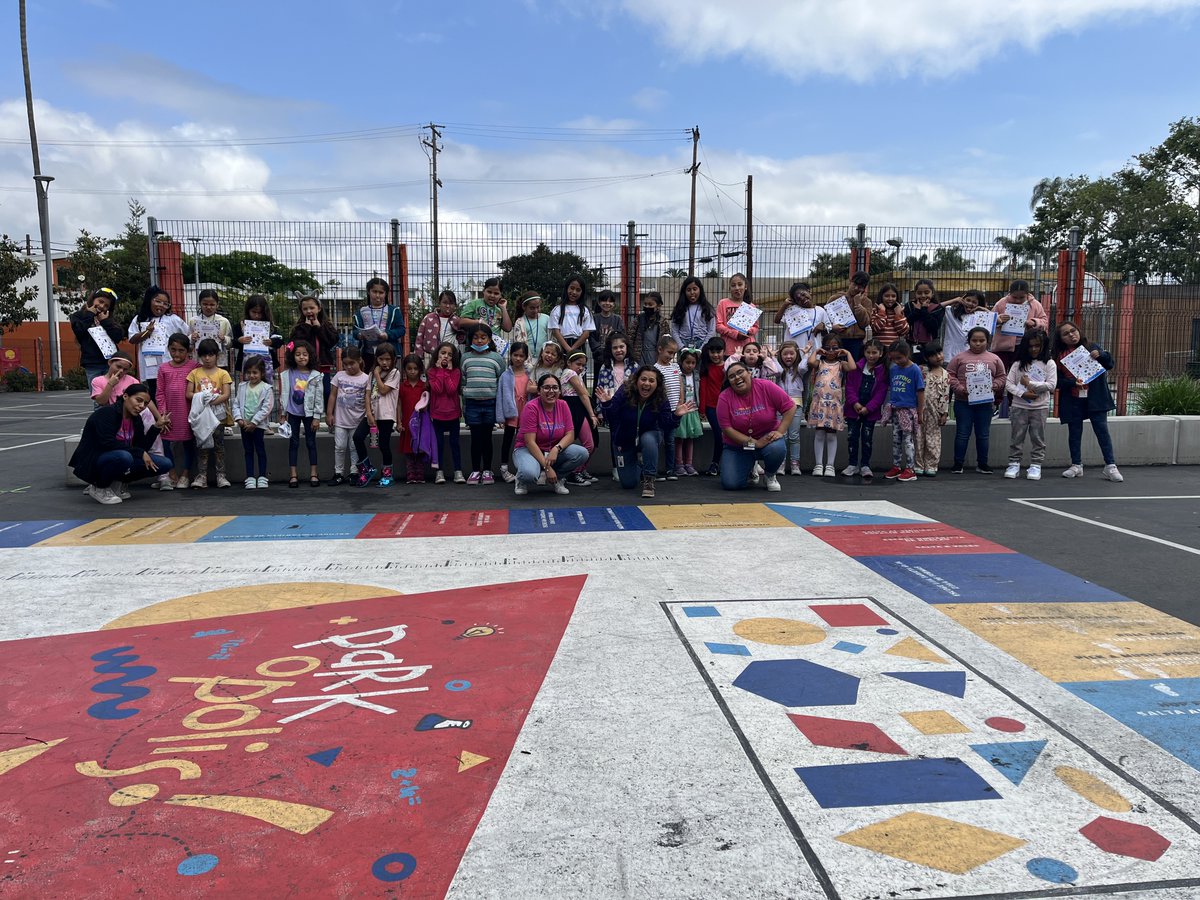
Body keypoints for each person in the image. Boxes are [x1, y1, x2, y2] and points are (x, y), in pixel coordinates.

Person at [70, 382, 170, 505]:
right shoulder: (106, 413)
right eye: (138, 400)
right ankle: (99, 487)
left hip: (118, 457)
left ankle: (116, 483)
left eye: (145, 404)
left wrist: (155, 428)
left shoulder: (136, 419)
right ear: (125, 396)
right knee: (124, 456)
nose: (141, 406)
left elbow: (140, 447)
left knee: (164, 463)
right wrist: (139, 452)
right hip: (95, 460)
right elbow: (107, 443)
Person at [1052, 322, 1122, 482]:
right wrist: (1071, 383)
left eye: (1073, 331)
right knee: (1075, 432)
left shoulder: (1091, 347)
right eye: (1066, 334)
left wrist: (1102, 355)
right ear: (1061, 339)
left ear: (1078, 331)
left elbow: (1110, 364)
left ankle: (1110, 465)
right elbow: (1056, 380)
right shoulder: (1058, 356)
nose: (1071, 335)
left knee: (1102, 430)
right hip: (1073, 398)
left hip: (1095, 398)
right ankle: (1076, 465)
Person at [717, 361, 796, 491]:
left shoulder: (766, 386)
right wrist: (755, 443)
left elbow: (790, 407)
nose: (737, 377)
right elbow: (727, 429)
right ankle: (750, 468)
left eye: (740, 372)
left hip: (767, 439)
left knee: (777, 448)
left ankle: (770, 475)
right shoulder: (724, 398)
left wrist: (780, 432)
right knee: (731, 484)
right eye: (731, 376)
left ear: (749, 373)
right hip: (738, 446)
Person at [597, 368, 675, 498]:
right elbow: (610, 417)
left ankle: (649, 479)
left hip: (649, 435)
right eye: (643, 379)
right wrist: (606, 404)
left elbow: (665, 424)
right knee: (628, 483)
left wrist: (676, 416)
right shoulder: (625, 391)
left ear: (657, 384)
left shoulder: (660, 397)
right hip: (624, 439)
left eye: (651, 380)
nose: (646, 384)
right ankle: (638, 463)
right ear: (636, 380)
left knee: (648, 440)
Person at [513, 373, 590, 496]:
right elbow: (530, 442)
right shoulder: (531, 407)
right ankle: (521, 480)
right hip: (528, 449)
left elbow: (570, 434)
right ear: (539, 390)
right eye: (546, 387)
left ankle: (557, 479)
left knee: (582, 453)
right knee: (529, 474)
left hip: (552, 450)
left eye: (555, 387)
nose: (551, 391)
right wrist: (547, 468)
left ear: (560, 391)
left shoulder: (563, 405)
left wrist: (556, 448)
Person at [947, 326, 1006, 474]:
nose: (978, 343)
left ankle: (982, 464)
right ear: (968, 341)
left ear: (987, 341)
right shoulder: (959, 358)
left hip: (985, 403)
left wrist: (995, 386)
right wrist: (961, 389)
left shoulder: (994, 359)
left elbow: (1002, 376)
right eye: (974, 340)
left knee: (983, 434)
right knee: (962, 433)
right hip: (963, 402)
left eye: (981, 340)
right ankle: (958, 463)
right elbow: (949, 375)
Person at [992, 279, 1050, 416]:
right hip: (1002, 347)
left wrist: (1034, 322)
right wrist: (998, 319)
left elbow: (1045, 321)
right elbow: (988, 320)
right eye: (1014, 297)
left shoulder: (1035, 305)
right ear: (1009, 294)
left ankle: (1015, 406)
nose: (1018, 300)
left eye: (1021, 297)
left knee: (1020, 376)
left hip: (1024, 347)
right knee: (999, 375)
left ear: (1027, 294)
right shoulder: (1001, 303)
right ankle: (995, 404)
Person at [1004, 328, 1056, 481]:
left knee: (1038, 437)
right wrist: (1022, 393)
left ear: (1043, 346)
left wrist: (1030, 384)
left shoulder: (1049, 363)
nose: (1034, 349)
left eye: (1037, 346)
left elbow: (1051, 385)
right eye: (1030, 345)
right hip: (1019, 406)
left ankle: (1036, 464)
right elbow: (1009, 384)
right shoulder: (1018, 364)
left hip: (1040, 407)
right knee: (1016, 436)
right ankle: (1014, 463)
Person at [460, 324, 506, 484]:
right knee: (475, 439)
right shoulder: (465, 358)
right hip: (472, 405)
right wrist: (465, 404)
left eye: (483, 337)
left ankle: (487, 470)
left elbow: (501, 381)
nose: (479, 340)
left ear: (489, 339)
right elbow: (463, 380)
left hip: (490, 404)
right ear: (470, 339)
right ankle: (474, 471)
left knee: (487, 438)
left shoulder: (496, 358)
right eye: (475, 337)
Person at [186, 338, 233, 489]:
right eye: (204, 355)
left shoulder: (223, 373)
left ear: (217, 355)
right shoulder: (194, 373)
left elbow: (226, 395)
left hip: (218, 416)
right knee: (202, 446)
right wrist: (202, 399)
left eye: (210, 355)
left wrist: (211, 400)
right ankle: (202, 476)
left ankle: (221, 475)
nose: (207, 358)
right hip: (202, 417)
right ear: (199, 356)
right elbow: (188, 393)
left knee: (219, 445)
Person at [353, 343, 402, 486]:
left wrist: (376, 374)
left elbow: (383, 389)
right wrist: (368, 413)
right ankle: (367, 468)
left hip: (386, 415)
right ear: (377, 359)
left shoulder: (395, 373)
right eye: (381, 359)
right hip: (372, 414)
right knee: (358, 437)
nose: (384, 362)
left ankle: (387, 474)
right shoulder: (371, 374)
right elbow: (367, 394)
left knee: (383, 445)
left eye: (388, 359)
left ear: (393, 359)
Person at [278, 339, 323, 488]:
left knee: (311, 443)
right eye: (298, 354)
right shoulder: (287, 374)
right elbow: (284, 394)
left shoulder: (315, 375)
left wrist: (317, 417)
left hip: (309, 415)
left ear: (310, 356)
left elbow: (319, 397)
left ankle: (314, 474)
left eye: (305, 354)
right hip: (293, 413)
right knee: (293, 443)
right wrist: (283, 413)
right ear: (293, 356)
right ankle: (293, 475)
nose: (301, 357)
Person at [127, 286, 187, 397]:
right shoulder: (139, 319)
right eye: (158, 301)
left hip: (168, 363)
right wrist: (146, 333)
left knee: (170, 393)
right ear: (150, 300)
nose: (161, 306)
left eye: (165, 304)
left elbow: (187, 334)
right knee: (154, 393)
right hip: (149, 365)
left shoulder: (172, 319)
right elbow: (132, 339)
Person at [807, 337, 855, 477]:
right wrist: (816, 351)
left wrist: (847, 353)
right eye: (827, 348)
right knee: (819, 433)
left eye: (835, 348)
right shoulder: (820, 362)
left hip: (833, 404)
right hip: (820, 402)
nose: (831, 351)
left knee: (831, 435)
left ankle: (830, 465)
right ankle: (818, 464)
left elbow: (852, 367)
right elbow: (810, 362)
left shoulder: (841, 364)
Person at [155, 334, 197, 490]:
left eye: (181, 350)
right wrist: (162, 413)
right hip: (169, 413)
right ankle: (171, 473)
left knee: (188, 442)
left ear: (188, 351)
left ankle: (186, 474)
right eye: (173, 350)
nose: (177, 354)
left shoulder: (194, 367)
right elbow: (159, 392)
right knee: (165, 442)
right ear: (168, 349)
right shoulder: (163, 368)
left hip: (188, 412)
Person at [842, 339, 887, 479]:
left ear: (881, 353)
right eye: (868, 352)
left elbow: (881, 393)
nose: (871, 355)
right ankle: (852, 464)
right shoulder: (856, 367)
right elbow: (849, 387)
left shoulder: (883, 371)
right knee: (852, 437)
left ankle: (865, 465)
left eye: (874, 352)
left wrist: (869, 408)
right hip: (853, 410)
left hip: (870, 412)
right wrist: (855, 403)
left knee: (867, 438)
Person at [325, 346, 370, 486]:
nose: (349, 367)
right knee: (339, 446)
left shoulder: (366, 378)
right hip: (340, 420)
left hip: (357, 420)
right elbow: (332, 395)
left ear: (360, 361)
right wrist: (329, 413)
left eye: (352, 363)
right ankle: (338, 473)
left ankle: (354, 472)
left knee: (353, 447)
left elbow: (368, 399)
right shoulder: (339, 376)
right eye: (345, 364)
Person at [882, 339, 925, 482]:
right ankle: (896, 466)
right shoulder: (893, 369)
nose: (897, 361)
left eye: (899, 358)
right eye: (893, 358)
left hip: (908, 410)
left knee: (908, 440)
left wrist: (920, 412)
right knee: (896, 439)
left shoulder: (915, 370)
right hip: (895, 408)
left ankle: (910, 468)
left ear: (908, 354)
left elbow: (920, 392)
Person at [289, 291, 340, 404]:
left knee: (325, 393)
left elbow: (332, 341)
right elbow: (295, 343)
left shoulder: (326, 325)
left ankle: (326, 415)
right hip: (305, 367)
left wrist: (318, 327)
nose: (309, 311)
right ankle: (307, 417)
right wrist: (307, 327)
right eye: (305, 309)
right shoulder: (299, 328)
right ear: (301, 311)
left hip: (323, 367)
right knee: (305, 394)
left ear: (319, 308)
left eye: (312, 308)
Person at [233, 356, 274, 489]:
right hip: (244, 425)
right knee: (248, 450)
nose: (252, 375)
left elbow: (266, 408)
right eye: (249, 372)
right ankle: (250, 476)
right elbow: (236, 404)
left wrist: (254, 422)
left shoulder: (267, 388)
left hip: (258, 426)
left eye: (255, 372)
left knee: (260, 449)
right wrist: (239, 419)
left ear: (262, 373)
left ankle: (262, 476)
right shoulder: (242, 386)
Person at [560, 351, 601, 485]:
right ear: (569, 363)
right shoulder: (569, 373)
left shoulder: (576, 374)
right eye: (578, 364)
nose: (581, 368)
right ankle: (573, 472)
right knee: (589, 444)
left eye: (583, 365)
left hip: (580, 407)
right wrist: (592, 414)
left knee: (592, 443)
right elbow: (583, 394)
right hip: (575, 408)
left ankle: (581, 469)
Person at [428, 341, 465, 485]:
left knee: (455, 443)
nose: (446, 356)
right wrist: (440, 371)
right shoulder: (431, 371)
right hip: (437, 414)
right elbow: (437, 389)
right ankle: (439, 471)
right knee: (439, 444)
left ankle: (458, 471)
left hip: (453, 414)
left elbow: (451, 390)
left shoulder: (455, 371)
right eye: (443, 353)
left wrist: (447, 372)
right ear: (437, 354)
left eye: (449, 354)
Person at [71, 287, 124, 385]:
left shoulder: (109, 320)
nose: (102, 306)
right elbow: (79, 331)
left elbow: (118, 337)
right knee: (98, 394)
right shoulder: (79, 316)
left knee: (113, 393)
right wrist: (90, 314)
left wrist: (105, 321)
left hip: (111, 363)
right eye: (100, 301)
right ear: (93, 299)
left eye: (106, 305)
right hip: (92, 363)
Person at [772, 339, 810, 475]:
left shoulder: (799, 370)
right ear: (780, 355)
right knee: (782, 435)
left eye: (791, 354)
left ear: (796, 355)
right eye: (785, 354)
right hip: (780, 406)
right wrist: (772, 357)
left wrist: (805, 355)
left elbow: (803, 367)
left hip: (796, 405)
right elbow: (777, 370)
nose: (788, 357)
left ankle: (795, 464)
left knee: (794, 435)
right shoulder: (779, 371)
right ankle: (780, 463)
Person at [353, 277, 406, 372]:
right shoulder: (361, 311)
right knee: (369, 380)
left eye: (381, 293)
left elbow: (401, 329)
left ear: (385, 294)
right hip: (367, 353)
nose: (377, 295)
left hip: (387, 355)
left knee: (388, 380)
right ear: (369, 292)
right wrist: (360, 335)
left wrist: (387, 335)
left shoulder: (394, 311)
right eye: (374, 291)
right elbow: (355, 331)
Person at [495, 341, 530, 484]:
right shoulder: (505, 375)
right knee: (507, 440)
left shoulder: (530, 374)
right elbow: (500, 396)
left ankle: (525, 467)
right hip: (512, 413)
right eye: (515, 355)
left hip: (526, 413)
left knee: (525, 442)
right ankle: (504, 468)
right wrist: (500, 416)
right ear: (511, 355)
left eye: (522, 356)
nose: (518, 358)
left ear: (526, 357)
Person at [392, 353, 430, 485]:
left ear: (420, 369)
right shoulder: (402, 386)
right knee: (408, 450)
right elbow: (399, 405)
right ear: (405, 369)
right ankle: (410, 473)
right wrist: (399, 421)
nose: (412, 371)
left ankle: (420, 473)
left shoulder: (424, 386)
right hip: (407, 423)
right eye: (409, 368)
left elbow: (428, 405)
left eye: (415, 368)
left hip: (421, 423)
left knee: (419, 449)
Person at [232, 294, 284, 384]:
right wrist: (239, 340)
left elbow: (280, 341)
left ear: (265, 312)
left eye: (259, 313)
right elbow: (233, 342)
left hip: (265, 364)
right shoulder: (240, 326)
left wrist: (271, 342)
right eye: (254, 312)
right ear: (248, 311)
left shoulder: (270, 326)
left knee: (266, 387)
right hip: (247, 362)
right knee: (247, 387)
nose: (256, 315)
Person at [915, 341, 950, 477]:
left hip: (936, 411)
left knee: (933, 438)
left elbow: (946, 395)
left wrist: (944, 413)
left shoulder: (945, 374)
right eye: (933, 355)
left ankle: (931, 465)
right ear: (926, 358)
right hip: (921, 410)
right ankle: (918, 464)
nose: (938, 356)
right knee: (918, 437)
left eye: (939, 353)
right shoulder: (921, 370)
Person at [653, 335, 684, 482]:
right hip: (661, 411)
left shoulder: (676, 367)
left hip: (674, 410)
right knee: (658, 439)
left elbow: (680, 386)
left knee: (670, 440)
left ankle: (670, 469)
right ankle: (656, 470)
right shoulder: (655, 369)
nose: (671, 356)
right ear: (660, 350)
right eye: (669, 353)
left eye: (674, 353)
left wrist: (681, 402)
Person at [824, 272, 873, 360]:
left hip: (856, 341)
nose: (856, 288)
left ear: (864, 288)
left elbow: (864, 323)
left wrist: (858, 305)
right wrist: (832, 327)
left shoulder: (866, 302)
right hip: (837, 339)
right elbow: (825, 320)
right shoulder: (835, 298)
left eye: (860, 286)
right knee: (837, 366)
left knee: (853, 368)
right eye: (854, 284)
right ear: (850, 282)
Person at [699, 337, 727, 476]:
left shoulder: (729, 366)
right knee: (719, 435)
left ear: (724, 351)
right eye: (713, 352)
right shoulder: (706, 368)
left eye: (719, 351)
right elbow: (702, 389)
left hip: (727, 407)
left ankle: (726, 463)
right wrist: (702, 409)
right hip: (711, 407)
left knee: (727, 435)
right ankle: (715, 464)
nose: (716, 355)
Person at [774, 282, 828, 354]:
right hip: (794, 351)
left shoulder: (820, 310)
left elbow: (829, 326)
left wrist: (823, 325)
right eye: (798, 299)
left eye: (803, 294)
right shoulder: (792, 311)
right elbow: (777, 320)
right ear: (795, 301)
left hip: (813, 349)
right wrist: (784, 305)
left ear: (809, 291)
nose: (802, 299)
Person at [674, 348, 703, 476]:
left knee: (690, 438)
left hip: (693, 410)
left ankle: (689, 464)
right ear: (681, 362)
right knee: (680, 438)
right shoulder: (679, 375)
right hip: (682, 410)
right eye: (687, 362)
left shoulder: (696, 375)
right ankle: (679, 464)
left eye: (693, 363)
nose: (690, 365)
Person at [550, 275, 594, 356]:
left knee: (578, 368)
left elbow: (586, 333)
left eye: (578, 290)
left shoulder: (585, 310)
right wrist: (567, 348)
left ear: (582, 292)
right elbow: (555, 331)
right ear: (566, 288)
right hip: (561, 344)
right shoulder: (557, 309)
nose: (574, 292)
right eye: (572, 288)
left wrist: (573, 349)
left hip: (579, 345)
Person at [715, 273, 758, 356]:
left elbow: (756, 327)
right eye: (733, 285)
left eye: (740, 284)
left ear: (745, 287)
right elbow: (718, 326)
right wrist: (735, 334)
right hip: (729, 350)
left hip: (747, 350)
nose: (737, 288)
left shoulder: (751, 306)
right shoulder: (723, 303)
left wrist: (748, 331)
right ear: (729, 288)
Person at [189, 289, 233, 371]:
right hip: (199, 362)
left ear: (217, 305)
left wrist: (224, 339)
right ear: (200, 304)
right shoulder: (193, 321)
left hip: (219, 362)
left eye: (212, 304)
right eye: (205, 304)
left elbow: (230, 344)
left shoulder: (224, 321)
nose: (208, 307)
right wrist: (192, 338)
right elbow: (188, 344)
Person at [904, 279, 945, 364]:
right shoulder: (909, 306)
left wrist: (924, 310)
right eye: (919, 293)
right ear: (915, 294)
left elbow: (933, 327)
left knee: (928, 369)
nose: (923, 295)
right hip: (911, 344)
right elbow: (906, 323)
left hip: (930, 346)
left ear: (932, 293)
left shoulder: (938, 308)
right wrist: (917, 311)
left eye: (926, 293)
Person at [941, 289, 988, 362]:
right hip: (949, 356)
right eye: (968, 300)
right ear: (962, 300)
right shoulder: (951, 312)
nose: (970, 303)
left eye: (974, 302)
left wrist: (983, 309)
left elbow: (997, 320)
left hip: (969, 356)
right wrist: (955, 300)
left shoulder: (980, 317)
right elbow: (937, 307)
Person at [589, 289, 625, 383]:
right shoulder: (594, 318)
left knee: (614, 380)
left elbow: (621, 336)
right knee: (598, 381)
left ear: (614, 303)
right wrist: (599, 350)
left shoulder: (617, 319)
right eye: (604, 300)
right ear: (599, 302)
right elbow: (591, 337)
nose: (607, 303)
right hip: (599, 357)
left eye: (610, 301)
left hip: (613, 355)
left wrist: (612, 350)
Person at [416, 290, 461, 364]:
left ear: (455, 305)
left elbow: (461, 338)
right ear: (439, 303)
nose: (448, 306)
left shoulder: (457, 320)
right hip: (431, 356)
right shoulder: (429, 318)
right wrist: (418, 357)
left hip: (449, 358)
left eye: (451, 303)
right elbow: (419, 338)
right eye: (445, 302)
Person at [671, 276, 716, 350]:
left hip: (702, 343)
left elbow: (711, 330)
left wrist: (703, 348)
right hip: (683, 344)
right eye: (688, 290)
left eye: (695, 289)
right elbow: (674, 330)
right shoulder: (679, 309)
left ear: (700, 290)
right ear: (684, 292)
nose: (692, 292)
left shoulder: (707, 309)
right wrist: (681, 347)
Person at [510, 292, 552, 364]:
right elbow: (518, 341)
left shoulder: (547, 318)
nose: (536, 310)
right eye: (532, 308)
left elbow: (551, 338)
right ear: (524, 307)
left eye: (538, 307)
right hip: (526, 361)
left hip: (544, 360)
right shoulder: (520, 322)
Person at [630, 292, 669, 368]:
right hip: (640, 355)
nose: (647, 307)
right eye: (645, 304)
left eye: (650, 305)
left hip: (656, 356)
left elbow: (667, 341)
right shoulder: (638, 319)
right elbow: (630, 337)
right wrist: (632, 355)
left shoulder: (662, 322)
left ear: (658, 306)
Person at [870, 282, 910, 349]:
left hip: (894, 349)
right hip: (879, 349)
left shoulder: (899, 312)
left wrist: (898, 315)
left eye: (893, 296)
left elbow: (904, 331)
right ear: (881, 296)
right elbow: (875, 328)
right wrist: (882, 312)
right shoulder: (875, 311)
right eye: (887, 296)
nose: (890, 299)